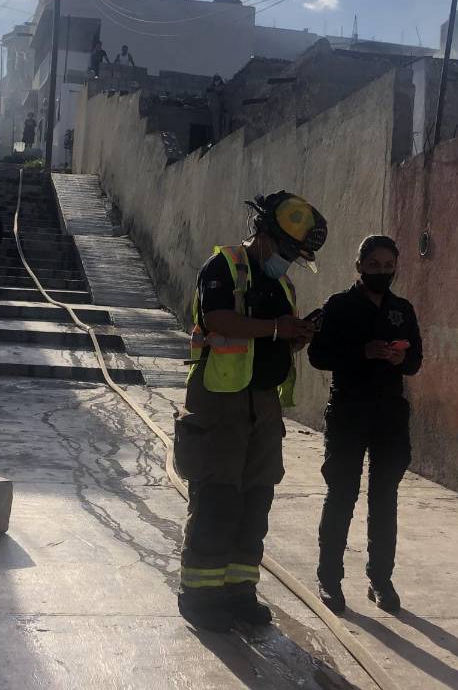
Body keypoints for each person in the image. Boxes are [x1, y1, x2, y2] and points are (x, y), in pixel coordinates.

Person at [174, 192, 328, 632]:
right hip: (220, 401)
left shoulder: (282, 284)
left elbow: (270, 339)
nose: (289, 261)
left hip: (262, 404)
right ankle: (200, 597)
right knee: (218, 499)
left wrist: (294, 336)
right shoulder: (223, 266)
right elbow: (219, 320)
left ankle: (239, 591)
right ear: (265, 236)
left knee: (255, 500)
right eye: (288, 251)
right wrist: (277, 328)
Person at [308, 234, 422, 614]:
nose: (381, 272)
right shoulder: (339, 306)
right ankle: (329, 578)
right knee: (342, 494)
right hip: (348, 411)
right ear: (359, 266)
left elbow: (415, 361)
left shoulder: (402, 309)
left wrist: (399, 359)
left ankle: (380, 579)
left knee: (385, 498)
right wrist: (362, 352)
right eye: (374, 265)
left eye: (388, 266)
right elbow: (318, 355)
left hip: (389, 415)